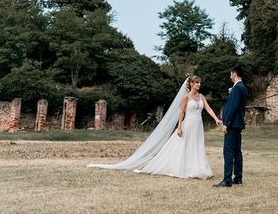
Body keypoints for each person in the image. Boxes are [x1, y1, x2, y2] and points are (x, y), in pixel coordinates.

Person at [88, 75, 221, 179]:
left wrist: (216, 118)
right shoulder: (186, 97)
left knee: (197, 146)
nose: (199, 84)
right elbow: (181, 112)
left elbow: (208, 108)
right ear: (191, 84)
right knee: (184, 146)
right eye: (196, 82)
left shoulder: (201, 96)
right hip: (188, 124)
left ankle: (200, 169)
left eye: (199, 82)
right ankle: (182, 168)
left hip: (198, 125)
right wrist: (179, 127)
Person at [213, 66, 247, 187]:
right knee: (237, 151)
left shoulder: (237, 88)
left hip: (232, 124)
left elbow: (232, 107)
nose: (230, 76)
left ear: (235, 74)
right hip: (238, 124)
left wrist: (226, 123)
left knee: (228, 151)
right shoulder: (243, 88)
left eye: (231, 74)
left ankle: (227, 180)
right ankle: (238, 177)